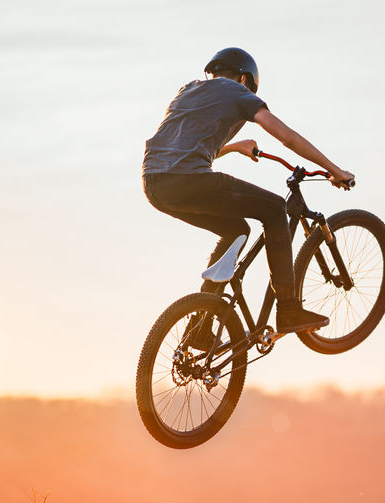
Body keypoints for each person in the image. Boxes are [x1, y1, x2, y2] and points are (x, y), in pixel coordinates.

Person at [142, 47, 355, 337]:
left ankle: (201, 327)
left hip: (155, 184)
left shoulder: (188, 91)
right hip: (189, 180)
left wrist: (231, 147)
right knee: (276, 209)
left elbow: (181, 150)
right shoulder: (238, 92)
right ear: (245, 79)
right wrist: (334, 169)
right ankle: (289, 309)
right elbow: (287, 138)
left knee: (235, 231)